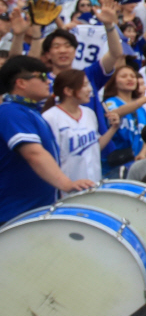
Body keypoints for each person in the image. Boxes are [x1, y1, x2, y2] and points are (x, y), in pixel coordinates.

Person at [0, 56, 95, 224]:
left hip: (34, 210)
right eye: (42, 77)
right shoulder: (11, 112)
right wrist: (66, 184)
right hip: (16, 212)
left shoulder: (29, 112)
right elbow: (33, 153)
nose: (48, 81)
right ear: (21, 83)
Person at [43, 69, 117, 186]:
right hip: (67, 187)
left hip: (93, 183)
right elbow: (48, 158)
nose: (89, 89)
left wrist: (113, 128)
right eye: (84, 85)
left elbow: (94, 148)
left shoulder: (88, 113)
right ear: (68, 91)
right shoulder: (50, 117)